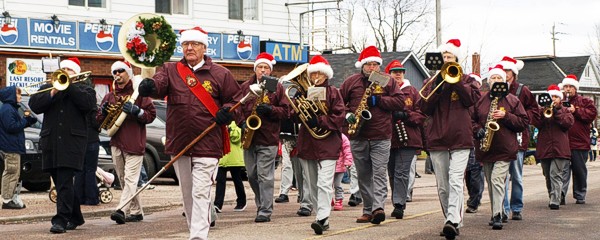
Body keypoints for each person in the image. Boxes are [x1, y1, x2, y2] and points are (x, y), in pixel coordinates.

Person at [138, 26, 241, 239]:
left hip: (208, 141)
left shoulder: (221, 74)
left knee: (201, 191)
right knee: (188, 194)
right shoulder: (170, 70)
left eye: (194, 44)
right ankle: (196, 227)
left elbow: (236, 101)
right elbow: (159, 85)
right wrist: (149, 85)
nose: (189, 48)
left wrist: (227, 112)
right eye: (185, 44)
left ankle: (198, 235)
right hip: (180, 142)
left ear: (204, 47)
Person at [417, 39, 480, 239]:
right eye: (443, 57)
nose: (446, 60)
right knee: (443, 185)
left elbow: (472, 101)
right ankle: (450, 220)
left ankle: (452, 219)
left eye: (449, 57)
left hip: (460, 138)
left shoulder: (468, 80)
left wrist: (456, 81)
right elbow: (424, 107)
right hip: (437, 138)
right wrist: (438, 82)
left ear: (456, 60)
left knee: (455, 181)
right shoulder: (430, 82)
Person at [29, 57, 96, 233]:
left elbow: (88, 105)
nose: (66, 72)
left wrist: (69, 86)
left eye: (70, 70)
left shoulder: (85, 89)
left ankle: (60, 220)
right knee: (61, 182)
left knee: (65, 180)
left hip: (72, 142)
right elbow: (34, 105)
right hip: (51, 141)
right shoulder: (49, 88)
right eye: (63, 69)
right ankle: (76, 217)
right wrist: (52, 93)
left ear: (77, 73)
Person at [340, 46, 403, 225]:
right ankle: (368, 210)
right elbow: (338, 104)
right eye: (369, 64)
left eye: (375, 64)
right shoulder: (351, 82)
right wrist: (347, 115)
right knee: (363, 174)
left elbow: (400, 101)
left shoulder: (387, 81)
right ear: (362, 65)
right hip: (358, 135)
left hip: (381, 135)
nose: (372, 67)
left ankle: (378, 208)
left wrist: (380, 100)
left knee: (379, 173)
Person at [98, 60, 156, 224]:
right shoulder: (110, 96)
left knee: (131, 180)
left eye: (121, 71)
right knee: (124, 180)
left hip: (134, 143)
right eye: (114, 72)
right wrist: (102, 113)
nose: (117, 75)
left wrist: (137, 111)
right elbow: (98, 121)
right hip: (116, 143)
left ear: (128, 72)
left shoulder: (139, 93)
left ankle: (121, 210)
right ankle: (137, 212)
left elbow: (151, 115)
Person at [472, 65, 529, 230]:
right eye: (493, 78)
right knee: (491, 182)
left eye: (499, 78)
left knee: (497, 180)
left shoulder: (512, 100)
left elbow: (523, 122)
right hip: (486, 147)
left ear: (504, 82)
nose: (496, 81)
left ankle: (496, 215)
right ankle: (500, 212)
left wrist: (506, 116)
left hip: (505, 148)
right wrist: (478, 130)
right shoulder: (481, 100)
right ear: (489, 82)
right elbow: (472, 120)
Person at [293, 55, 345, 234]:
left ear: (326, 75)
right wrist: (296, 104)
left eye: (319, 73)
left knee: (324, 183)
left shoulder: (333, 92)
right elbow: (292, 116)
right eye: (313, 73)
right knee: (312, 183)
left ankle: (322, 217)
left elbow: (339, 118)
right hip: (308, 143)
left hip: (328, 142)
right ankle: (321, 216)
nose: (316, 76)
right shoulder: (303, 91)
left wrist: (320, 120)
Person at [240, 52, 290, 223]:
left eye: (266, 68)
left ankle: (265, 210)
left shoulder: (277, 87)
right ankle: (261, 203)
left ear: (270, 70)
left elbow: (286, 111)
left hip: (268, 138)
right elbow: (237, 107)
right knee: (252, 175)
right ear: (255, 69)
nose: (263, 70)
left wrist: (271, 110)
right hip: (249, 137)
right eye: (260, 67)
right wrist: (241, 122)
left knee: (265, 176)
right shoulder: (246, 86)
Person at [385, 60, 426, 219]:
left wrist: (406, 115)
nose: (398, 74)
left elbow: (422, 115)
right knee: (392, 173)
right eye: (395, 71)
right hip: (388, 138)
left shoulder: (413, 92)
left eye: (400, 71)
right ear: (389, 74)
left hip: (407, 139)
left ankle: (399, 204)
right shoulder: (385, 91)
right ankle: (398, 201)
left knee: (402, 172)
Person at [499, 56, 538, 221]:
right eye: (503, 70)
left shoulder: (523, 90)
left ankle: (516, 207)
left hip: (519, 138)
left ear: (513, 73)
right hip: (500, 138)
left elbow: (535, 111)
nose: (505, 74)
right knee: (501, 177)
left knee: (516, 176)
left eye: (507, 71)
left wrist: (519, 117)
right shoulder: (496, 88)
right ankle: (504, 209)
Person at [531, 84, 573, 210]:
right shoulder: (542, 111)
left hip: (560, 149)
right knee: (548, 175)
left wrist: (557, 112)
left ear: (560, 98)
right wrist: (542, 112)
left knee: (556, 174)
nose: (553, 99)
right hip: (545, 148)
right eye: (551, 97)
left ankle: (555, 200)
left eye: (556, 97)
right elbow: (536, 123)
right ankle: (553, 195)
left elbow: (567, 124)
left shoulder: (565, 111)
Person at [559, 74, 598, 205]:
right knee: (562, 171)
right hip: (563, 142)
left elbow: (592, 114)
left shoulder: (585, 101)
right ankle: (560, 195)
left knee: (579, 170)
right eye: (566, 87)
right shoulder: (559, 101)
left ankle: (580, 194)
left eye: (570, 87)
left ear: (575, 88)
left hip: (580, 143)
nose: (568, 89)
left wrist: (576, 110)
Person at [0, 86, 37, 209]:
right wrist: (25, 121)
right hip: (10, 147)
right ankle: (7, 200)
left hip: (13, 145)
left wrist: (28, 120)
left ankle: (11, 198)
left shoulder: (10, 108)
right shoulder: (7, 109)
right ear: (12, 96)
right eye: (19, 95)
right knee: (11, 172)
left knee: (14, 173)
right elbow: (11, 127)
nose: (21, 97)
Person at [74, 82, 101, 206]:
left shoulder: (75, 105)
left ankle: (78, 197)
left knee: (79, 170)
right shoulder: (91, 105)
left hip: (79, 140)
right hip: (92, 140)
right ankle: (91, 198)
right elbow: (96, 124)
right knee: (90, 170)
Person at [214, 121, 247, 212]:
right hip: (223, 157)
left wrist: (229, 130)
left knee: (237, 180)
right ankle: (217, 204)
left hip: (234, 157)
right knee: (220, 181)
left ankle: (242, 202)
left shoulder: (236, 123)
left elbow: (236, 138)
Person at [465, 73, 485, 214]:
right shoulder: (464, 98)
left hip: (477, 140)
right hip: (464, 139)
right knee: (467, 173)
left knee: (476, 172)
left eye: (476, 84)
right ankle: (473, 197)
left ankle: (474, 200)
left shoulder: (482, 100)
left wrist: (477, 129)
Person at [333, 133, 353, 211]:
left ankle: (339, 199)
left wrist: (348, 162)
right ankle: (329, 198)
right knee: (327, 184)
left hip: (339, 166)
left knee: (337, 184)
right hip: (329, 164)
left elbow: (347, 149)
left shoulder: (342, 137)